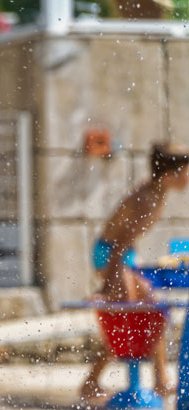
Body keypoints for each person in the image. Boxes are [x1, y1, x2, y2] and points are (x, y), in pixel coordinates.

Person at [80, 141, 189, 404]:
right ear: (169, 175)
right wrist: (110, 284)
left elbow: (126, 239)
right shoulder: (148, 200)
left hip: (121, 256)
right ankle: (91, 384)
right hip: (110, 256)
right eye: (186, 171)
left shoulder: (156, 193)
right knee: (132, 316)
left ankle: (160, 379)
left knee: (154, 311)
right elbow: (118, 243)